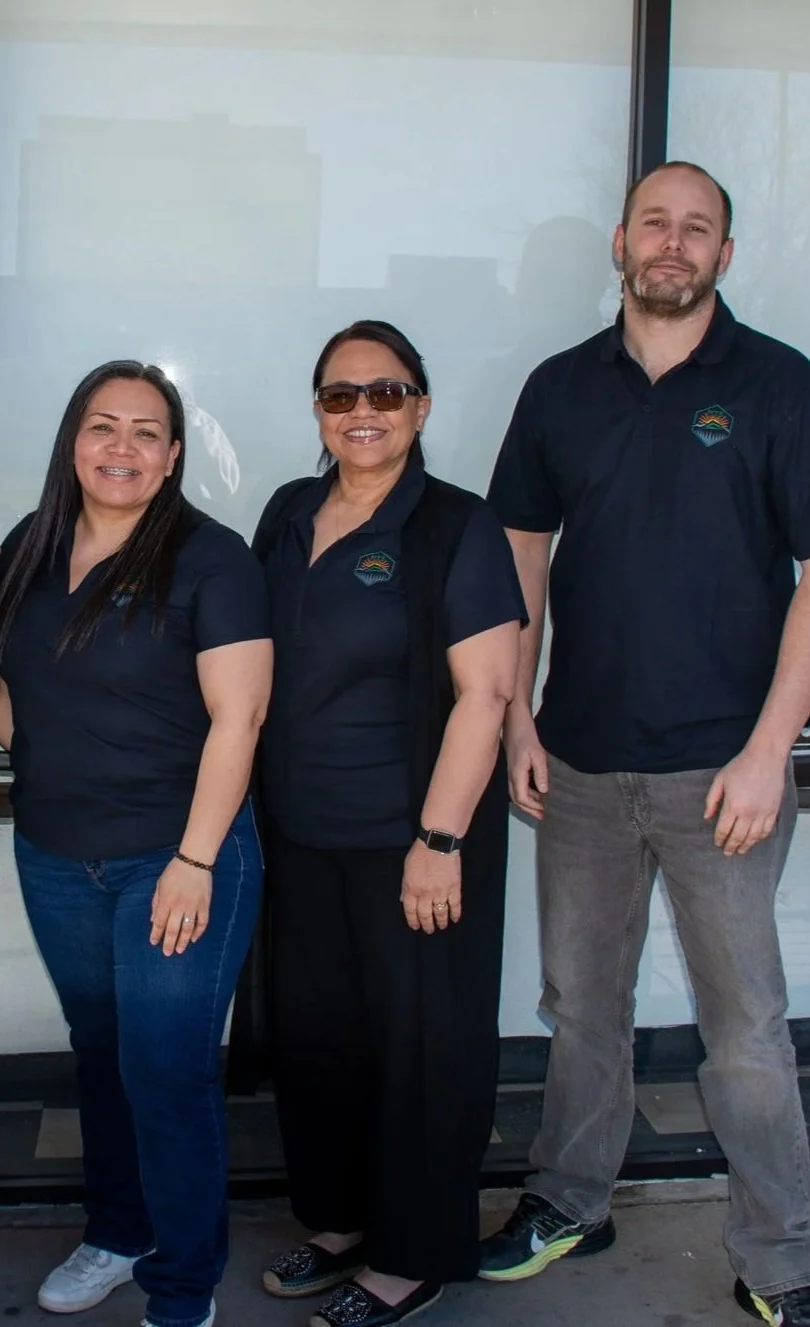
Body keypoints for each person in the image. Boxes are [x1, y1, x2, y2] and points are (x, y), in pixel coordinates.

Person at [478, 162, 810, 1327]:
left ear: (723, 255)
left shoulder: (777, 385)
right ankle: (568, 1199)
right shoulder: (560, 389)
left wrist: (769, 751)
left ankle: (778, 1262)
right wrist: (516, 715)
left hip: (724, 773)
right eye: (654, 223)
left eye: (695, 228)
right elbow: (517, 550)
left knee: (743, 1028)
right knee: (580, 1003)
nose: (672, 243)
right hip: (583, 762)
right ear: (618, 241)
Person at [0, 362, 271, 1327]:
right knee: (101, 1052)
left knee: (166, 1064)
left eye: (147, 431)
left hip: (177, 855)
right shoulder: (32, 544)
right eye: (103, 426)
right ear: (73, 441)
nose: (122, 447)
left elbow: (240, 719)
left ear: (173, 455)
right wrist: (45, 748)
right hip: (59, 855)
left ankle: (182, 1287)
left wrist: (193, 862)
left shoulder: (210, 557)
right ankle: (119, 1228)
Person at [251, 321, 525, 1327]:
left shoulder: (456, 526)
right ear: (317, 410)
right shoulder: (286, 513)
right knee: (319, 1037)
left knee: (420, 1046)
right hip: (297, 832)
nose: (361, 412)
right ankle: (337, 1220)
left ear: (420, 405)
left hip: (410, 840)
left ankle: (409, 1252)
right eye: (339, 395)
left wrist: (439, 840)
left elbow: (484, 695)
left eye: (385, 392)